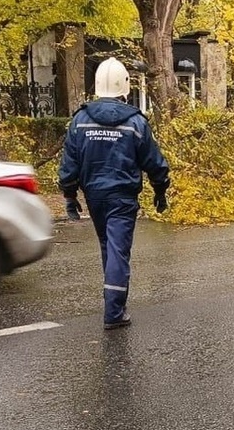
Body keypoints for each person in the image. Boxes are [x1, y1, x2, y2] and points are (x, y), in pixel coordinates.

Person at [58, 57, 170, 330]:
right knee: (118, 251)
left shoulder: (80, 120)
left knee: (109, 248)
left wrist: (70, 195)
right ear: (125, 86)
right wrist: (160, 189)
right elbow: (153, 161)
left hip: (94, 195)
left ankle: (114, 302)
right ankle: (114, 312)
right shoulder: (135, 122)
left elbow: (70, 162)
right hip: (122, 196)